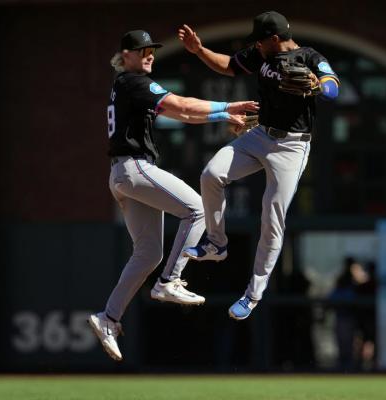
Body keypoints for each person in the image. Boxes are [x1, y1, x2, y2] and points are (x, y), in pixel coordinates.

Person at [88, 29, 259, 361]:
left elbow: (181, 113)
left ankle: (108, 318)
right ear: (126, 55)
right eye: (142, 50)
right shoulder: (133, 82)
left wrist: (223, 114)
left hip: (123, 174)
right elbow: (180, 103)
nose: (149, 54)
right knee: (196, 208)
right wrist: (228, 104)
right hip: (134, 168)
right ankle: (170, 281)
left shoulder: (130, 87)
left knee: (149, 252)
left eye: (152, 49)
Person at [179, 11, 340, 320]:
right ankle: (216, 243)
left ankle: (252, 296)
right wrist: (199, 51)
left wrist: (318, 85)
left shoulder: (309, 56)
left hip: (292, 146)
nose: (256, 46)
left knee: (272, 219)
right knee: (211, 174)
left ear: (274, 39)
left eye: (260, 40)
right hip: (260, 135)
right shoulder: (260, 53)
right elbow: (227, 65)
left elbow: (334, 87)